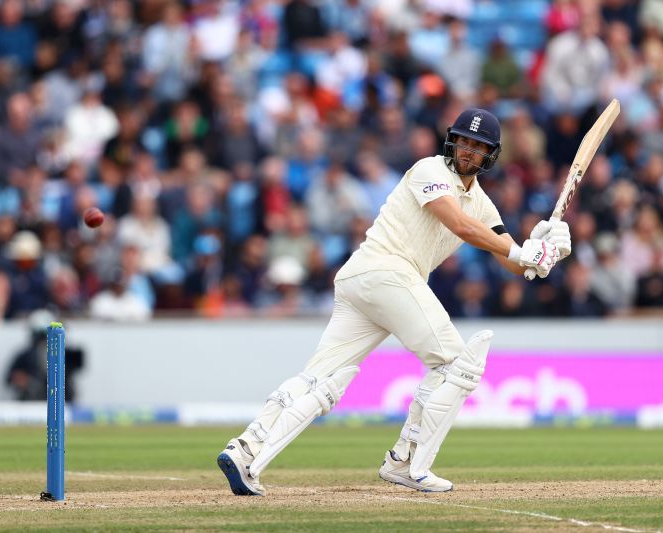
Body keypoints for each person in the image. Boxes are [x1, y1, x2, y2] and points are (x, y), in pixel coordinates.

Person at [216, 108, 572, 495]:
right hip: (387, 272)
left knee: (322, 379)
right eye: (464, 142)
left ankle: (245, 450)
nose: (469, 151)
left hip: (368, 282)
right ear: (452, 141)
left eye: (478, 146)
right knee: (456, 365)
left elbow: (510, 260)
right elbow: (460, 225)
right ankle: (405, 462)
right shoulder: (430, 170)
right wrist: (524, 254)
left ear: (491, 155)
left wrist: (544, 251)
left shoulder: (483, 205)